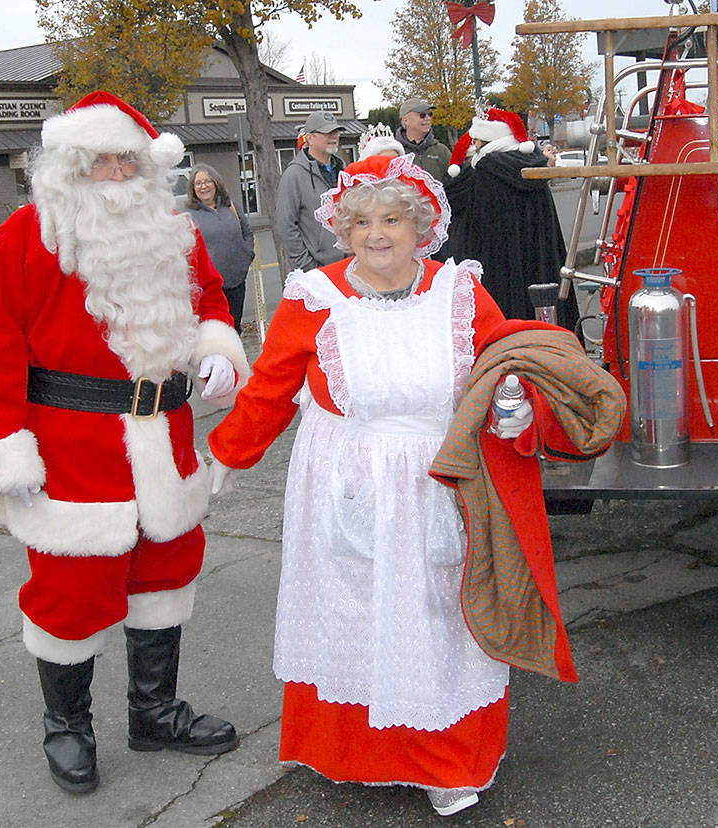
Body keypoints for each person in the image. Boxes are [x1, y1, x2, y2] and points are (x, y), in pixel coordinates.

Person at [205, 154, 622, 817]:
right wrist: (227, 455)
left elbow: (505, 363)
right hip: (345, 482)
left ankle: (448, 762)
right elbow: (270, 390)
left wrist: (518, 404)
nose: (377, 234)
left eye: (393, 219)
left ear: (421, 225)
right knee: (354, 615)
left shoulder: (459, 291)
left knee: (439, 620)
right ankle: (352, 752)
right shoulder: (315, 296)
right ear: (342, 228)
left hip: (440, 482)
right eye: (363, 220)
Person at [0, 90, 251, 794]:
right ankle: (68, 728)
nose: (118, 175)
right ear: (68, 167)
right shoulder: (27, 237)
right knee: (71, 592)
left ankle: (154, 714)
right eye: (100, 162)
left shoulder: (173, 232)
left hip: (168, 441)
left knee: (166, 577)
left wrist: (216, 345)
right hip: (72, 449)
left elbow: (211, 298)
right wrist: (5, 454)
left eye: (128, 160)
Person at [444, 107, 575, 332]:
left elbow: (452, 199)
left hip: (498, 269)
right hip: (539, 264)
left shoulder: (483, 172)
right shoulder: (532, 166)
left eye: (476, 141)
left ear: (483, 141)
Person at [183, 163, 254, 333]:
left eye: (207, 181)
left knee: (235, 328)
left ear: (216, 183)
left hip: (236, 283)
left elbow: (247, 233)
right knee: (216, 331)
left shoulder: (232, 207)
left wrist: (246, 257)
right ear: (193, 188)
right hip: (210, 290)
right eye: (198, 183)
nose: (204, 186)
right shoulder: (188, 216)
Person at [276, 109, 346, 274]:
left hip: (350, 264)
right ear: (310, 138)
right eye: (327, 132)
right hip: (318, 271)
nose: (333, 137)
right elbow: (286, 226)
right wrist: (308, 267)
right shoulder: (293, 175)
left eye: (336, 132)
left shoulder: (344, 170)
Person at [395, 97, 451, 181]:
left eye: (430, 114)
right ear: (405, 120)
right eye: (422, 115)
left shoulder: (441, 151)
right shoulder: (395, 152)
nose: (428, 118)